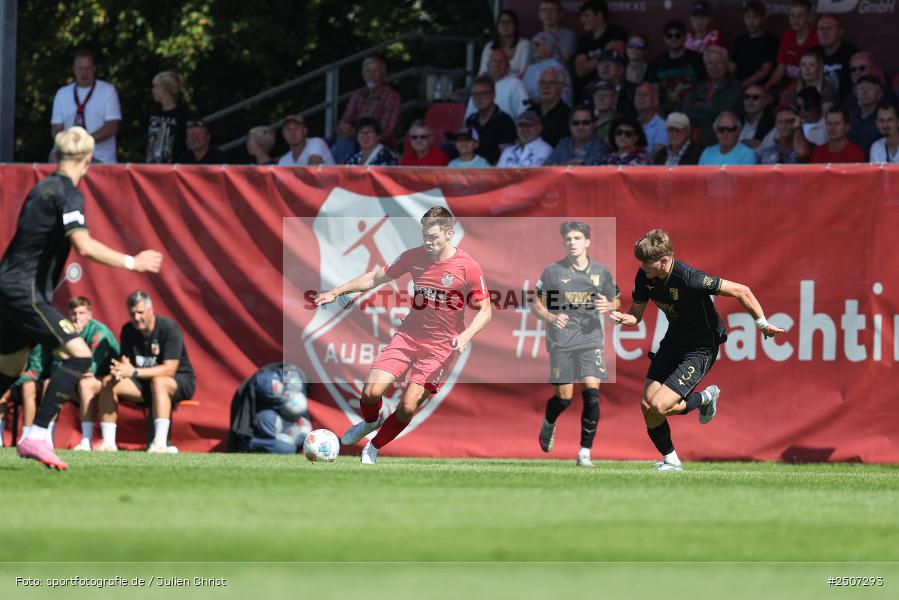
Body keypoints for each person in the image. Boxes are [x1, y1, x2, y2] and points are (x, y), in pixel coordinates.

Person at [0, 127, 162, 469]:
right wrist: (133, 262)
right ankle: (38, 436)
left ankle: (36, 435)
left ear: (56, 156)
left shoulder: (40, 188)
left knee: (10, 367)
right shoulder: (69, 194)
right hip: (24, 291)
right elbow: (84, 245)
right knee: (80, 355)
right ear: (89, 160)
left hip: (8, 287)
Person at [314, 207, 492, 465]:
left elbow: (486, 311)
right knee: (371, 392)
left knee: (408, 406)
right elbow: (376, 277)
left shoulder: (468, 267)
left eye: (434, 237)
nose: (429, 243)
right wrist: (338, 291)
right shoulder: (414, 256)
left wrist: (466, 335)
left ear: (449, 234)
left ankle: (372, 448)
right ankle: (370, 421)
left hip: (440, 348)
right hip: (408, 337)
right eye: (425, 237)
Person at [610, 229, 784, 471]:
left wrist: (762, 324)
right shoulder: (645, 276)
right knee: (648, 406)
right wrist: (623, 318)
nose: (643, 269)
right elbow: (636, 316)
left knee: (660, 406)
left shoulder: (689, 278)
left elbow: (741, 290)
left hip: (701, 347)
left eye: (648, 264)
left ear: (664, 260)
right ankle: (671, 460)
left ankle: (705, 398)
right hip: (673, 342)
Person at [532, 222, 620, 467]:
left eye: (577, 238)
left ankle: (584, 452)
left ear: (587, 242)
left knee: (592, 395)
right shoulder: (553, 273)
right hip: (561, 341)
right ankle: (549, 422)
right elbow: (536, 306)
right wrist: (551, 317)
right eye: (568, 238)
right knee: (564, 399)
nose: (572, 242)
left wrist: (609, 306)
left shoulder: (601, 272)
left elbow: (617, 300)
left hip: (590, 340)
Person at [98, 291, 196, 453]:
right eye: (132, 314)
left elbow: (169, 369)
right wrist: (120, 370)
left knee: (159, 382)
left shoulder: (168, 328)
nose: (136, 318)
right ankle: (108, 444)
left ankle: (160, 444)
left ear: (151, 310)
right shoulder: (128, 330)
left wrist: (133, 372)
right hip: (143, 383)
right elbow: (126, 362)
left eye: (140, 312)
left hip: (179, 380)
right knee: (108, 382)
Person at [62, 296, 120, 451]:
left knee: (85, 384)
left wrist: (76, 338)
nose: (77, 317)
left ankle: (93, 441)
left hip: (114, 379)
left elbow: (90, 369)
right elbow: (58, 363)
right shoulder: (66, 330)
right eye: (73, 313)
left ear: (90, 315)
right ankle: (43, 438)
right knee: (51, 383)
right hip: (84, 378)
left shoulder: (98, 332)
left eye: (81, 313)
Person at [50, 49, 122, 164]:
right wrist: (65, 145)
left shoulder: (107, 91)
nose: (84, 73)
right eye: (81, 69)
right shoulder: (62, 93)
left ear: (94, 69)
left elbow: (111, 127)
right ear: (74, 69)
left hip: (99, 156)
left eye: (87, 68)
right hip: (69, 154)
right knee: (54, 157)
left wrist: (83, 144)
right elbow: (56, 129)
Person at [332, 56, 401, 163]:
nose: (371, 75)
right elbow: (345, 121)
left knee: (344, 144)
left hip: (380, 145)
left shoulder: (392, 97)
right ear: (363, 75)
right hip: (354, 141)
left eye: (375, 71)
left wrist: (355, 133)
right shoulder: (358, 95)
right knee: (338, 142)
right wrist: (344, 129)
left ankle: (342, 175)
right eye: (367, 71)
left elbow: (386, 133)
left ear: (383, 74)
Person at [682, 45, 743, 147]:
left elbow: (723, 112)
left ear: (726, 64)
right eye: (710, 63)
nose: (714, 67)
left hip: (719, 141)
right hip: (693, 139)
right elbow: (686, 110)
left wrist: (699, 106)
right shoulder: (698, 85)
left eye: (718, 62)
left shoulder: (736, 87)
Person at [646, 20, 706, 115]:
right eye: (669, 35)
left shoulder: (699, 60)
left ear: (685, 37)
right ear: (664, 38)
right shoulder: (655, 65)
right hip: (666, 118)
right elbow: (652, 96)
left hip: (695, 116)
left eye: (678, 35)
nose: (673, 38)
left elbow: (707, 89)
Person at [574, 1, 627, 100]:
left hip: (613, 92)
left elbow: (616, 60)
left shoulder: (615, 32)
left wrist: (590, 62)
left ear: (599, 15)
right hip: (587, 92)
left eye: (586, 16)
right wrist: (603, 56)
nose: (582, 20)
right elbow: (580, 70)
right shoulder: (583, 40)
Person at [765, 0, 818, 93]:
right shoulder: (787, 36)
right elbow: (780, 69)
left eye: (800, 15)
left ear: (809, 17)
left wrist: (789, 91)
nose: (795, 19)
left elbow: (816, 73)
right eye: (792, 15)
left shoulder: (817, 38)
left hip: (810, 89)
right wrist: (766, 87)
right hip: (788, 90)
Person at [464, 75, 517, 165]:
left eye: (483, 93)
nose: (479, 98)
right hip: (472, 170)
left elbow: (506, 158)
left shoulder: (505, 121)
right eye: (475, 94)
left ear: (493, 94)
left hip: (494, 172)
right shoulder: (470, 120)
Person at [466, 49, 529, 121]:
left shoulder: (515, 84)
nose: (497, 65)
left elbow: (525, 113)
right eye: (494, 61)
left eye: (501, 62)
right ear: (488, 65)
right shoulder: (479, 86)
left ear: (508, 66)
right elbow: (469, 115)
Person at [146, 71, 190, 164]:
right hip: (152, 166)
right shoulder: (153, 113)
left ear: (165, 88)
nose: (153, 90)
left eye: (155, 86)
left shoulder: (182, 115)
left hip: (173, 167)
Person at [732, 1, 779, 89]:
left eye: (755, 17)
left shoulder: (771, 40)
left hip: (760, 87)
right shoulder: (740, 40)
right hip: (738, 85)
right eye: (748, 17)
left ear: (763, 18)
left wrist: (740, 85)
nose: (751, 21)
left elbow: (765, 71)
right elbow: (731, 66)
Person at [813, 13, 858, 98]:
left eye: (829, 28)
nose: (824, 32)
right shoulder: (812, 53)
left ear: (840, 32)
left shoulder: (851, 53)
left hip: (843, 103)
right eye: (821, 29)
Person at [523, 33, 573, 107]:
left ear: (549, 49)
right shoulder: (531, 68)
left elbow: (564, 96)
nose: (534, 48)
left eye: (537, 45)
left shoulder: (558, 68)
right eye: (532, 45)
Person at [478, 10, 531, 78]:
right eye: (501, 22)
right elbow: (483, 72)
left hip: (514, 85)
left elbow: (524, 73)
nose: (505, 25)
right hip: (491, 84)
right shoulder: (489, 46)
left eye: (508, 22)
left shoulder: (524, 45)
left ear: (515, 26)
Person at [529, 67, 571, 147]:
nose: (545, 86)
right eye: (542, 82)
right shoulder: (530, 112)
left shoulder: (568, 115)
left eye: (551, 83)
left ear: (560, 87)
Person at [848, 76, 885, 156]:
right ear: (855, 93)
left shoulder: (884, 119)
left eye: (869, 89)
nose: (865, 92)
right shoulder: (849, 116)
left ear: (879, 94)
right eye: (861, 88)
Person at [634, 82, 668, 159]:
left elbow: (657, 159)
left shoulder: (662, 127)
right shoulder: (631, 125)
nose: (641, 97)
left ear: (656, 100)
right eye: (638, 94)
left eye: (645, 94)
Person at [740, 85, 775, 151]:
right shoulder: (736, 119)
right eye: (746, 97)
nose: (750, 100)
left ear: (765, 102)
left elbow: (760, 145)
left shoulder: (772, 122)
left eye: (755, 97)